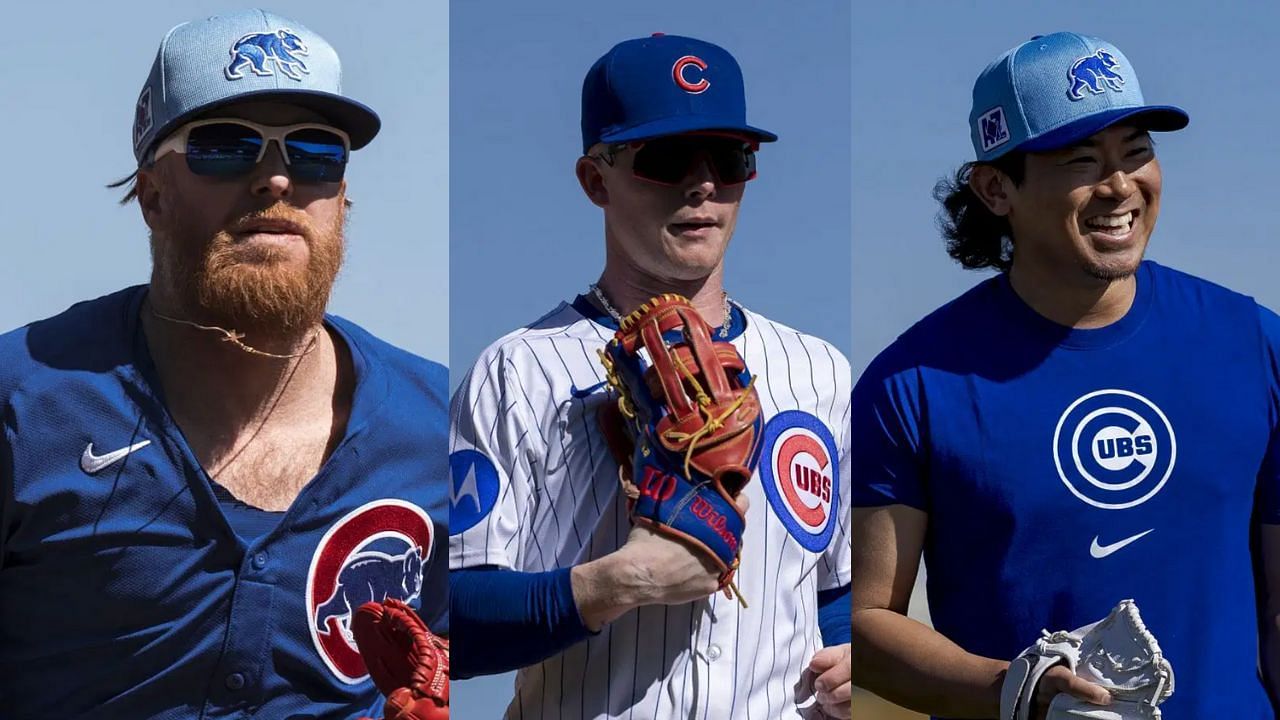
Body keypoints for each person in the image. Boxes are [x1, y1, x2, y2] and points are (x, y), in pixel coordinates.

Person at [0, 10, 448, 718]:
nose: (275, 179)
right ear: (152, 194)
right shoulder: (24, 402)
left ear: (343, 198)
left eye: (315, 153)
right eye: (225, 148)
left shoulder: (439, 426)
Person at [848, 31, 1279, 719]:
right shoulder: (911, 385)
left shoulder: (1255, 343)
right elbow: (867, 626)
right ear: (995, 188)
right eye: (1082, 160)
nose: (1119, 185)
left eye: (1136, 151)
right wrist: (1012, 689)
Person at [448, 33, 852, 720]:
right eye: (665, 158)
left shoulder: (820, 371)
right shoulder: (518, 370)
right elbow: (446, 619)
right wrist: (617, 581)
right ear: (594, 179)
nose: (702, 185)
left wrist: (853, 660)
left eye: (728, 159)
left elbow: (831, 591)